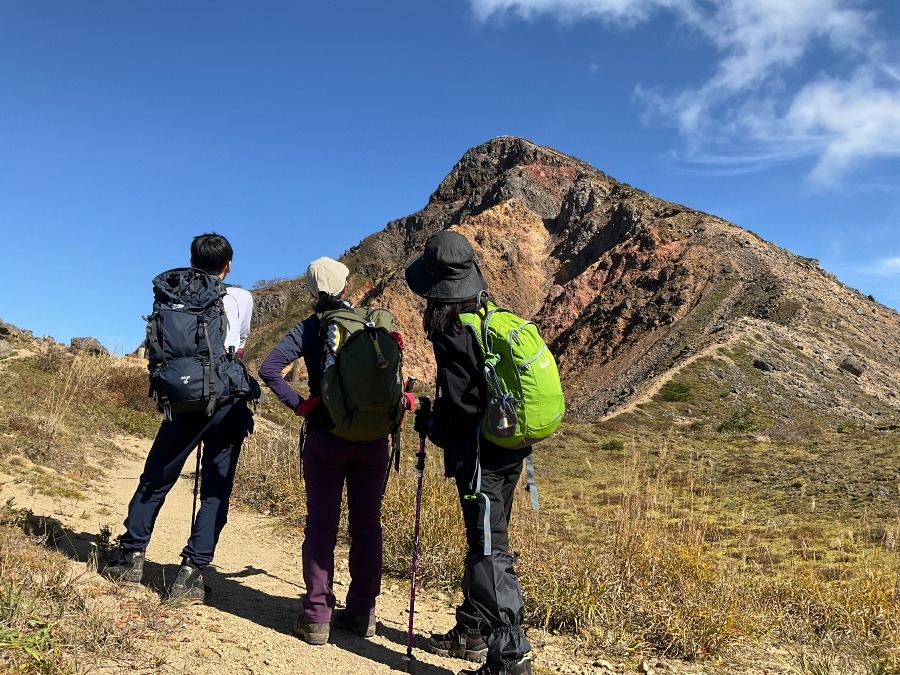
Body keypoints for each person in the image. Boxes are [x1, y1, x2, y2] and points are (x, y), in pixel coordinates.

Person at [257, 257, 406, 645]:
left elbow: (269, 368)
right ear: (345, 287)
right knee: (367, 528)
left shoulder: (309, 328)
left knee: (322, 526)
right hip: (374, 441)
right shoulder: (372, 325)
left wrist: (300, 404)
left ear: (310, 291)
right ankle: (362, 613)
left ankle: (317, 616)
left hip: (327, 436)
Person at [102, 233, 256, 605]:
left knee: (157, 476)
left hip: (185, 399)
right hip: (227, 399)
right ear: (228, 265)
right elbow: (241, 342)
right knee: (215, 490)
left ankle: (131, 555)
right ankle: (191, 572)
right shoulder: (241, 297)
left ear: (191, 260)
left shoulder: (174, 294)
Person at [405, 231, 533, 675]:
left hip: (480, 457)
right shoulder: (490, 314)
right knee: (489, 537)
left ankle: (509, 656)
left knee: (488, 549)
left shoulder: (454, 331)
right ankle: (473, 631)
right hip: (510, 451)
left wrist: (432, 424)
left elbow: (461, 407)